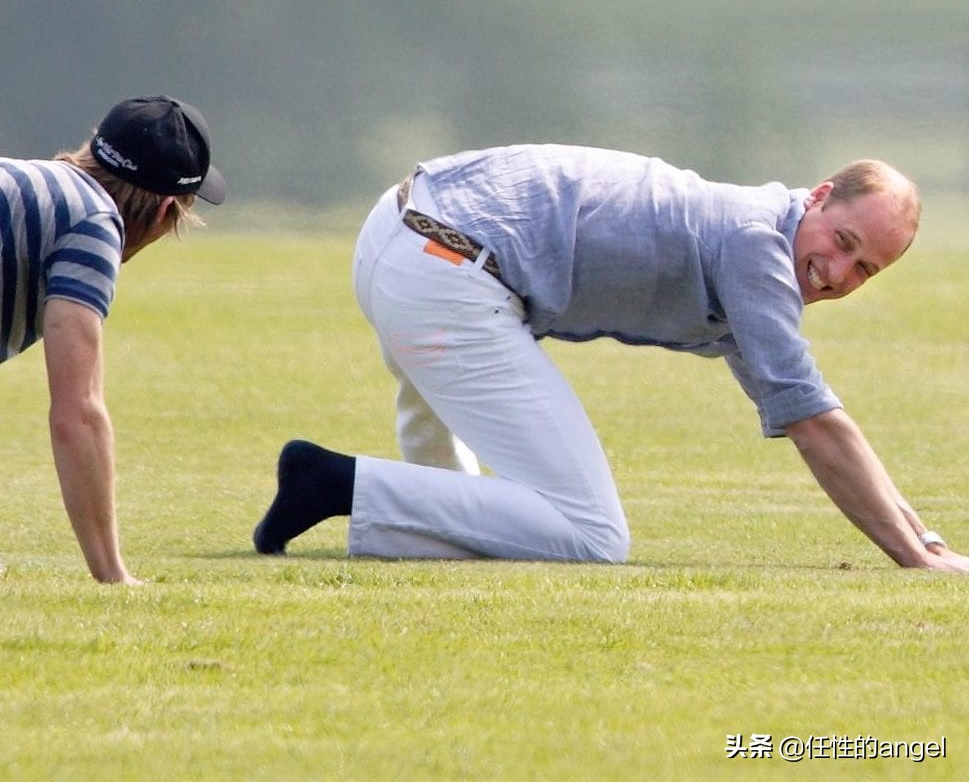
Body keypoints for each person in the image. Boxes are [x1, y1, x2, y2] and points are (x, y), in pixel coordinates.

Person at [253, 144, 969, 573]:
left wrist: (923, 537)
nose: (838, 275)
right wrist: (916, 559)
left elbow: (807, 412)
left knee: (468, 512)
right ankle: (330, 483)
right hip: (447, 264)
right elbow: (814, 422)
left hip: (400, 229)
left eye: (864, 270)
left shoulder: (756, 239)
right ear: (816, 198)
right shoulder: (757, 247)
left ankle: (350, 495)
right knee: (592, 535)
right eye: (842, 243)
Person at [2, 95, 226, 584]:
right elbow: (77, 414)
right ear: (167, 209)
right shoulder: (91, 222)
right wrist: (112, 574)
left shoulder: (33, 191)